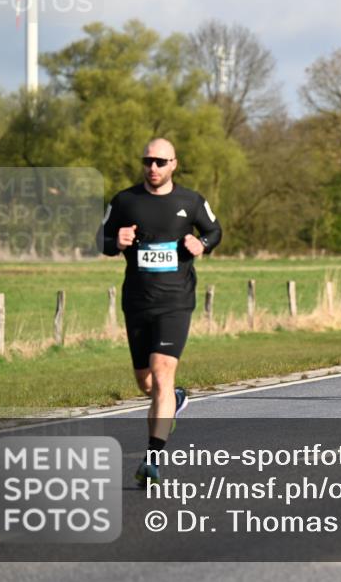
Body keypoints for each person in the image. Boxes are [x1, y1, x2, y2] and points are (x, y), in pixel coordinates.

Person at [98, 139, 222, 487]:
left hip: (176, 302)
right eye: (147, 161)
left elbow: (214, 230)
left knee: (162, 372)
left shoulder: (191, 201)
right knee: (147, 383)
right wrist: (115, 242)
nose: (153, 167)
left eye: (160, 161)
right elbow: (100, 239)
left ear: (173, 164)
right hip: (137, 302)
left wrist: (202, 244)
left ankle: (152, 460)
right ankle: (176, 399)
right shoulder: (125, 201)